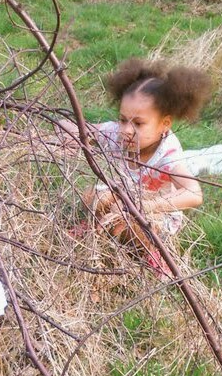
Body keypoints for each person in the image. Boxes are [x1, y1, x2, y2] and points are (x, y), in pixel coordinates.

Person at [59, 57, 213, 274]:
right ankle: (94, 229)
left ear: (164, 124)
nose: (127, 130)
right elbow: (83, 130)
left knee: (129, 227)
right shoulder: (117, 134)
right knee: (93, 197)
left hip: (154, 215)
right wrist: (67, 130)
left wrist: (144, 207)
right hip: (121, 201)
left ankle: (153, 256)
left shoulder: (167, 154)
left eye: (138, 124)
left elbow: (194, 194)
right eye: (123, 120)